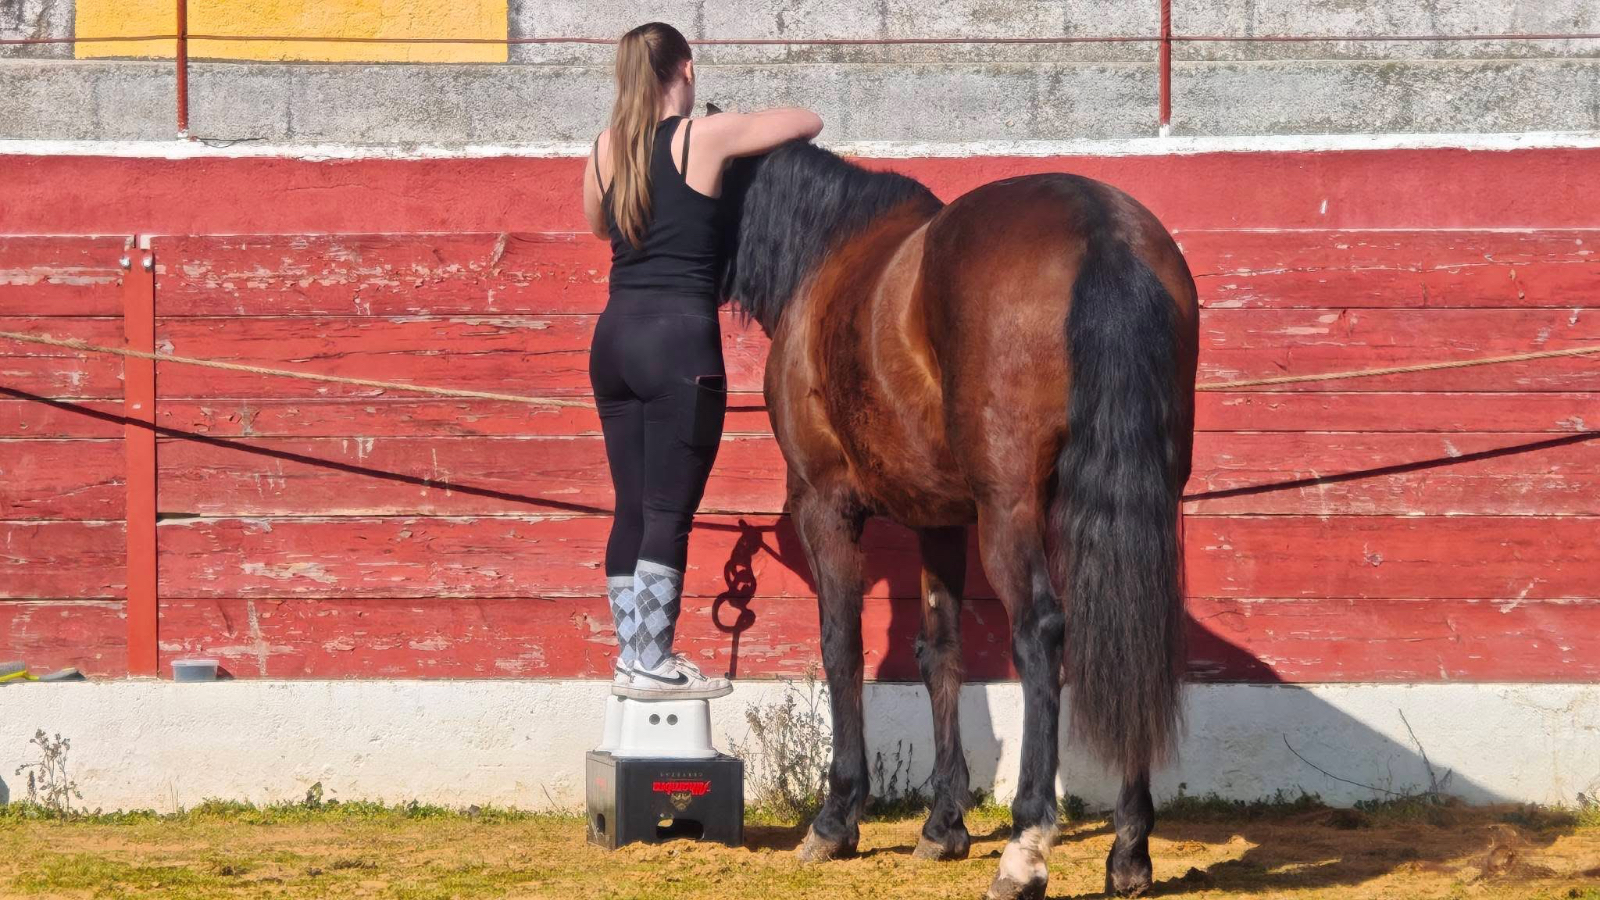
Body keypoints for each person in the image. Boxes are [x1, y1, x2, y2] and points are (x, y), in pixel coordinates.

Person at [583, 22, 822, 700]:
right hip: (678, 342)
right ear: (685, 70)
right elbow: (808, 120)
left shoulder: (604, 148)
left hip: (614, 340)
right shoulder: (703, 138)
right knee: (668, 512)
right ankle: (652, 660)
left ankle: (634, 655)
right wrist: (732, 122)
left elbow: (599, 225)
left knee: (631, 508)